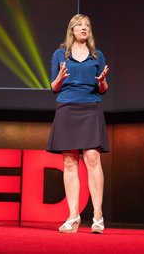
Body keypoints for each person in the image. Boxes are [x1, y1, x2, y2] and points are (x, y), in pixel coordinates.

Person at [46, 13, 110, 234]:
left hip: (90, 107)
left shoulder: (97, 55)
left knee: (92, 158)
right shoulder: (59, 54)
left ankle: (98, 216)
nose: (84, 28)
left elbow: (103, 89)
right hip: (67, 107)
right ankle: (73, 217)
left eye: (87, 25)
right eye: (80, 25)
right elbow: (53, 87)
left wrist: (102, 82)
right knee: (70, 161)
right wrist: (61, 78)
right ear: (72, 29)